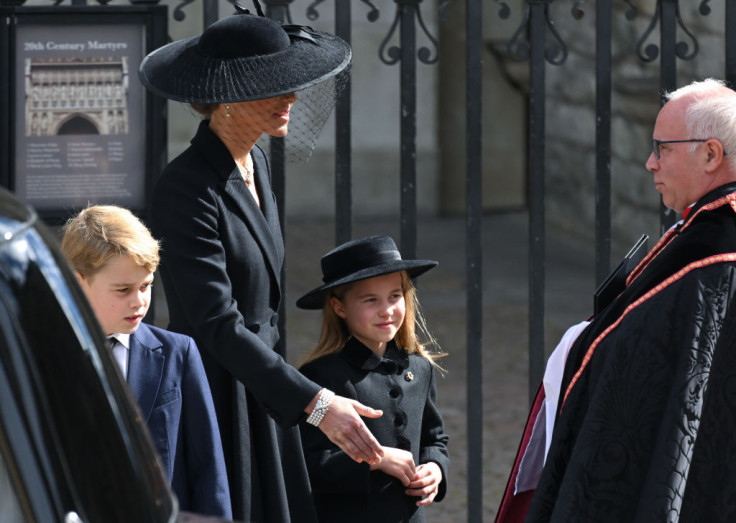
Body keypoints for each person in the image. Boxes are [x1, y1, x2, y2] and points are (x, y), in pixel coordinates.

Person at [138, 10, 384, 522]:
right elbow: (215, 322)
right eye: (270, 88)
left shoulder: (256, 162)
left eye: (289, 85)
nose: (290, 98)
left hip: (263, 390)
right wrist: (316, 403)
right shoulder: (184, 187)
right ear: (225, 100)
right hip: (213, 393)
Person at [497, 77, 736, 522]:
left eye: (662, 148)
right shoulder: (702, 229)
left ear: (710, 155)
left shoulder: (715, 255)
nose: (649, 163)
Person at [60, 205, 231, 519]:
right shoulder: (46, 354)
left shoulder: (178, 353)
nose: (139, 301)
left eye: (146, 286)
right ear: (78, 281)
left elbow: (208, 468)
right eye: (123, 290)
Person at [296, 235, 450, 523]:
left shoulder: (420, 368)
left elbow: (435, 438)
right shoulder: (320, 375)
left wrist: (435, 468)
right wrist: (376, 461)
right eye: (370, 300)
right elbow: (308, 463)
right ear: (339, 307)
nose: (387, 310)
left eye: (395, 296)